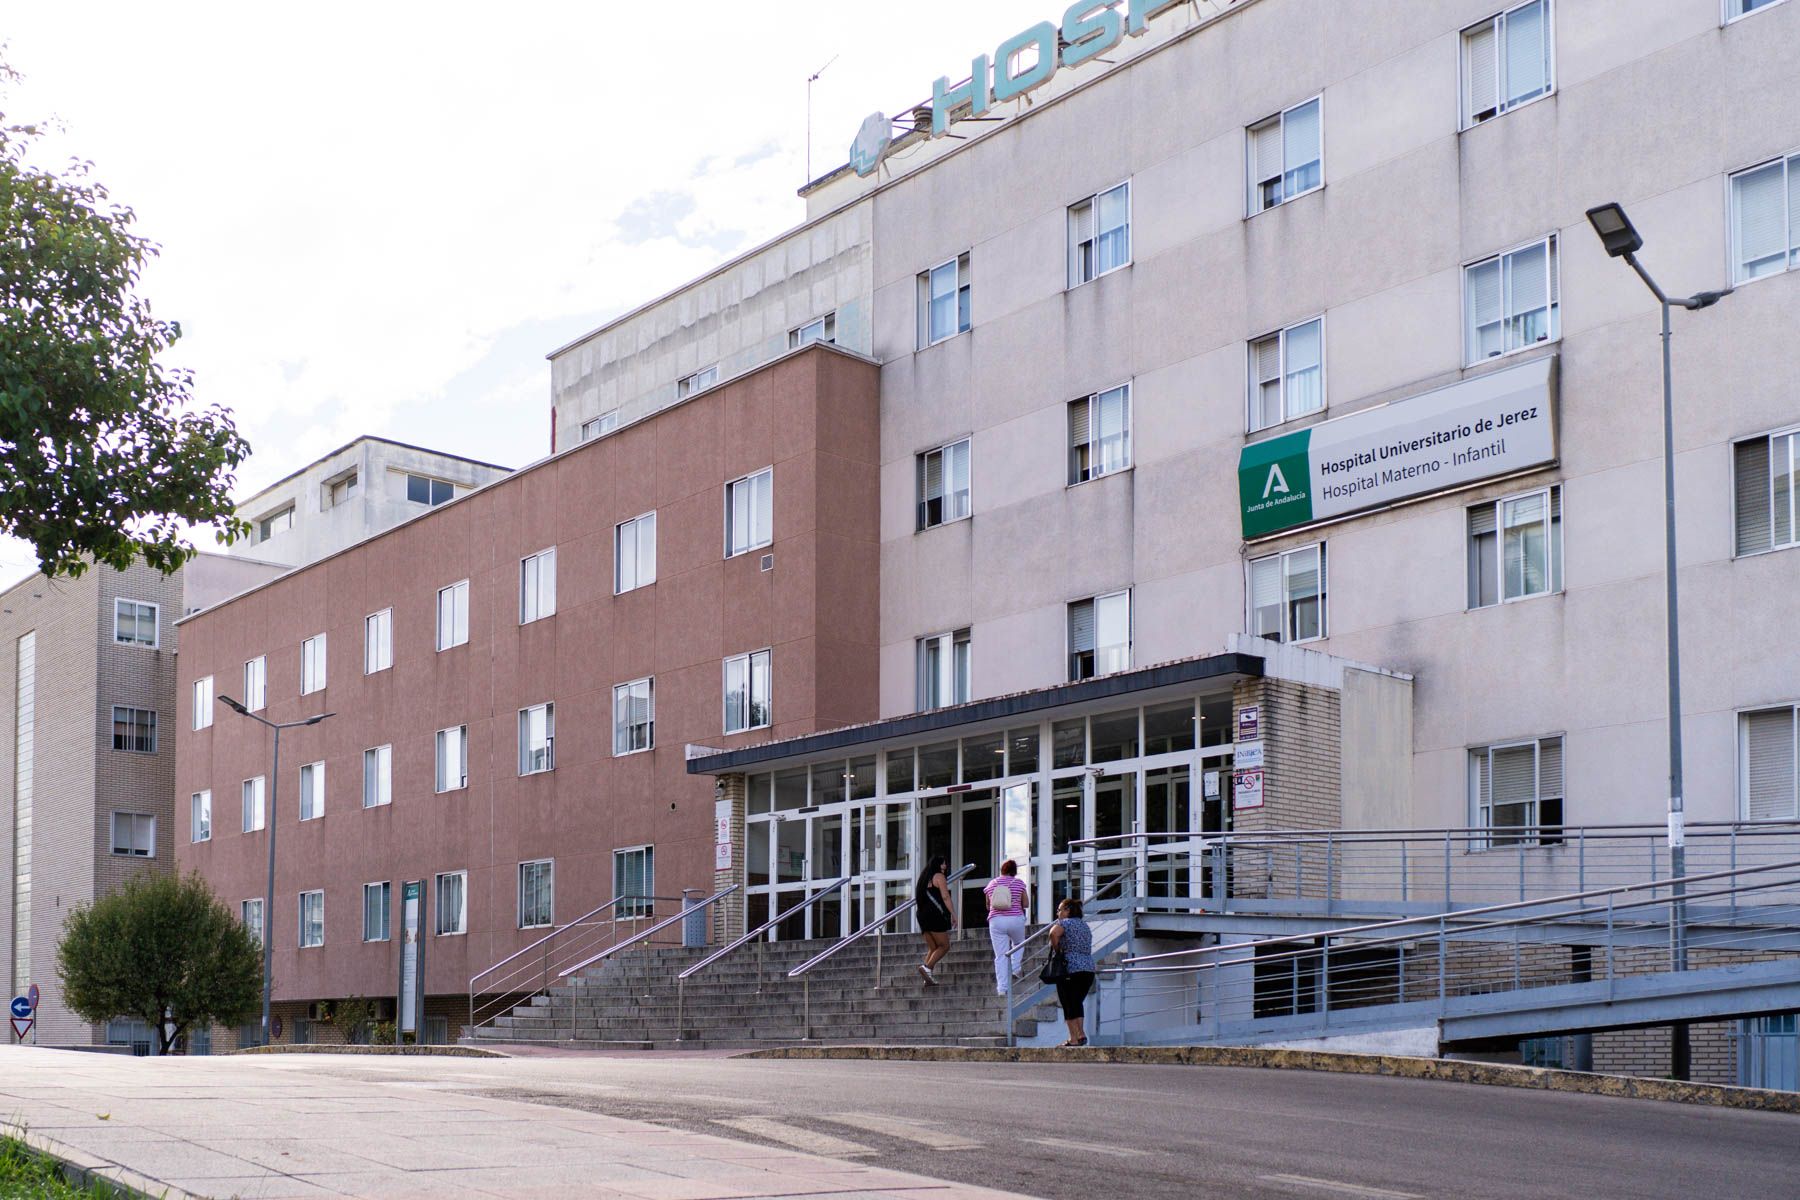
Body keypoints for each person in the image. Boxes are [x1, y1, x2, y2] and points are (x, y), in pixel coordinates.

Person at [1047, 897, 1096, 1048]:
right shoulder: (1085, 926)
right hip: (1088, 969)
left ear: (1068, 910)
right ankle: (1078, 1036)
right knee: (1076, 1002)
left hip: (1070, 968)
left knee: (1068, 1002)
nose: (1058, 913)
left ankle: (1076, 1037)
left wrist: (1058, 950)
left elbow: (1053, 934)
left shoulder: (1064, 923)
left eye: (1060, 909)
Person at [983, 860, 1030, 997]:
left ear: (1002, 869)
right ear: (1014, 871)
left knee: (1000, 956)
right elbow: (1026, 904)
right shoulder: (1019, 883)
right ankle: (1015, 968)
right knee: (1018, 943)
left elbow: (988, 905)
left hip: (996, 921)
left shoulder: (992, 884)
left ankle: (1002, 989)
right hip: (1015, 919)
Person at [914, 855, 956, 984]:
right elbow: (945, 896)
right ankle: (927, 968)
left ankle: (927, 978)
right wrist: (954, 914)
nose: (945, 866)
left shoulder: (923, 878)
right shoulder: (939, 876)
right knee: (944, 946)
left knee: (933, 947)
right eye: (943, 864)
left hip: (922, 914)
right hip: (934, 914)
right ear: (939, 865)